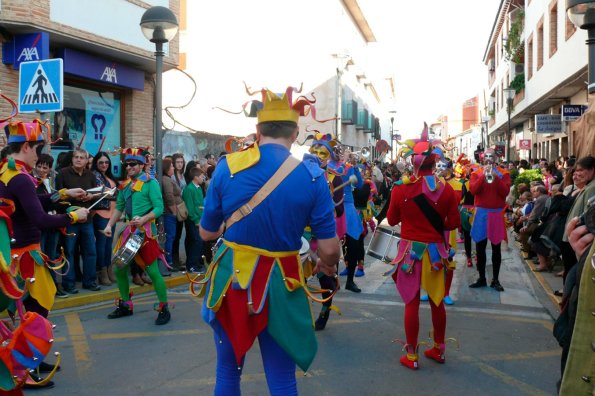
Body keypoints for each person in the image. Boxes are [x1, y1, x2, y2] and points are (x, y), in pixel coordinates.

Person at [199, 85, 340, 395]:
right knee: (282, 380)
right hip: (283, 284)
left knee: (227, 372)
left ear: (257, 129)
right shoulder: (314, 176)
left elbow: (207, 234)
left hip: (231, 281)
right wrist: (327, 266)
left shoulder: (227, 167)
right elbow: (330, 249)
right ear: (295, 132)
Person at [0, 119, 89, 388]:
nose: (39, 154)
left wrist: (60, 194)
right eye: (37, 148)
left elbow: (30, 204)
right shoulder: (22, 178)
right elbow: (39, 219)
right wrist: (73, 216)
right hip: (25, 256)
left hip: (15, 254)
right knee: (34, 309)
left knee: (36, 305)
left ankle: (32, 358)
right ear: (26, 146)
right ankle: (23, 367)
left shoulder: (7, 172)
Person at [386, 123, 460, 370]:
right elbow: (454, 223)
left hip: (410, 253)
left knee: (412, 303)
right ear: (434, 161)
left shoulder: (401, 189)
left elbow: (393, 220)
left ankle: (412, 356)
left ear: (413, 161)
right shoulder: (447, 189)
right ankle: (438, 349)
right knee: (438, 302)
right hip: (436, 253)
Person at [103, 147, 171, 325]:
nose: (128, 167)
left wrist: (144, 219)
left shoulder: (151, 183)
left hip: (146, 234)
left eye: (132, 164)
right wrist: (109, 225)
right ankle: (126, 304)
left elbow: (159, 208)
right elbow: (119, 207)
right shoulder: (125, 186)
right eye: (126, 164)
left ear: (141, 165)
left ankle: (164, 308)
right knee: (119, 268)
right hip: (130, 234)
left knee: (153, 271)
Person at [306, 132, 345, 330]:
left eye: (323, 153)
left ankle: (324, 313)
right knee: (295, 276)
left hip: (321, 235)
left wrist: (327, 200)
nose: (319, 155)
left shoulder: (334, 178)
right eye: (315, 151)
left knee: (325, 278)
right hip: (301, 235)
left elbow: (339, 209)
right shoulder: (300, 173)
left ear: (329, 156)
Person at [55, 148, 101, 293]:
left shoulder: (90, 175)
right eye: (76, 157)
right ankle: (68, 284)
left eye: (82, 157)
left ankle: (90, 282)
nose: (79, 159)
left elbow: (96, 193)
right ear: (72, 158)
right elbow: (57, 197)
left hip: (87, 220)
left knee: (90, 252)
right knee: (69, 252)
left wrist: (90, 196)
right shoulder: (62, 173)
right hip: (70, 220)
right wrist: (73, 197)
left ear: (87, 161)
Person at [468, 148, 511, 292]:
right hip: (481, 212)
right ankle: (481, 278)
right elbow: (473, 191)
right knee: (480, 247)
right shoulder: (475, 173)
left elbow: (505, 192)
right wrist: (483, 175)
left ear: (496, 158)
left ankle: (496, 279)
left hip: (496, 213)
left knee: (496, 248)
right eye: (486, 156)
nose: (488, 159)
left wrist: (496, 177)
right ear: (482, 158)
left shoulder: (504, 173)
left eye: (491, 156)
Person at [91, 152, 117, 286]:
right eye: (101, 162)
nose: (104, 165)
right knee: (101, 245)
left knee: (108, 245)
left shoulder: (109, 176)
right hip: (101, 214)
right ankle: (102, 272)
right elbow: (99, 192)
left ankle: (108, 269)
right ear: (96, 163)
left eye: (106, 162)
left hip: (112, 215)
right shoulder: (95, 175)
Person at [182, 167, 205, 273]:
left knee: (198, 242)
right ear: (195, 177)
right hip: (193, 221)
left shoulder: (199, 188)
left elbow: (200, 205)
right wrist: (196, 220)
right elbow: (190, 208)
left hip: (200, 220)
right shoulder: (189, 189)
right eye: (201, 176)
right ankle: (191, 265)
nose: (203, 178)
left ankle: (196, 263)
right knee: (195, 241)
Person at [161, 158, 183, 271]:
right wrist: (174, 212)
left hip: (170, 214)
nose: (173, 168)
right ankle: (168, 262)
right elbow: (169, 196)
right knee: (169, 238)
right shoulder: (166, 180)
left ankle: (169, 261)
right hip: (169, 214)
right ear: (167, 168)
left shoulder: (168, 179)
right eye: (171, 166)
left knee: (171, 237)